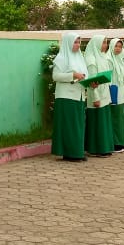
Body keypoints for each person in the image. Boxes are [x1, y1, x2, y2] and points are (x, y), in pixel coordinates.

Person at [51, 32, 88, 162]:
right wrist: (73, 75)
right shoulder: (61, 58)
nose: (78, 45)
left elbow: (84, 76)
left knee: (78, 125)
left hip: (79, 96)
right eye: (75, 42)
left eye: (79, 42)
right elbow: (55, 76)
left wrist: (91, 82)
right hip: (66, 96)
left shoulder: (80, 57)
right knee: (69, 126)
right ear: (68, 42)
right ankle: (70, 153)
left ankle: (77, 151)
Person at [82, 35, 114, 158]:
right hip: (96, 96)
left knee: (103, 122)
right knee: (97, 123)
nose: (105, 45)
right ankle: (96, 149)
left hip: (104, 94)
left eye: (106, 43)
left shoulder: (102, 57)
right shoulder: (91, 60)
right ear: (96, 44)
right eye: (103, 43)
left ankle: (104, 147)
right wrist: (96, 98)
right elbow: (92, 81)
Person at [107, 38, 124, 152]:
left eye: (120, 46)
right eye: (116, 46)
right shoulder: (108, 59)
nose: (118, 48)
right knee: (115, 118)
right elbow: (108, 78)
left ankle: (122, 142)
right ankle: (115, 143)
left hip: (122, 91)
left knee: (122, 117)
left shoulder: (120, 59)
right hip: (114, 91)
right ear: (111, 46)